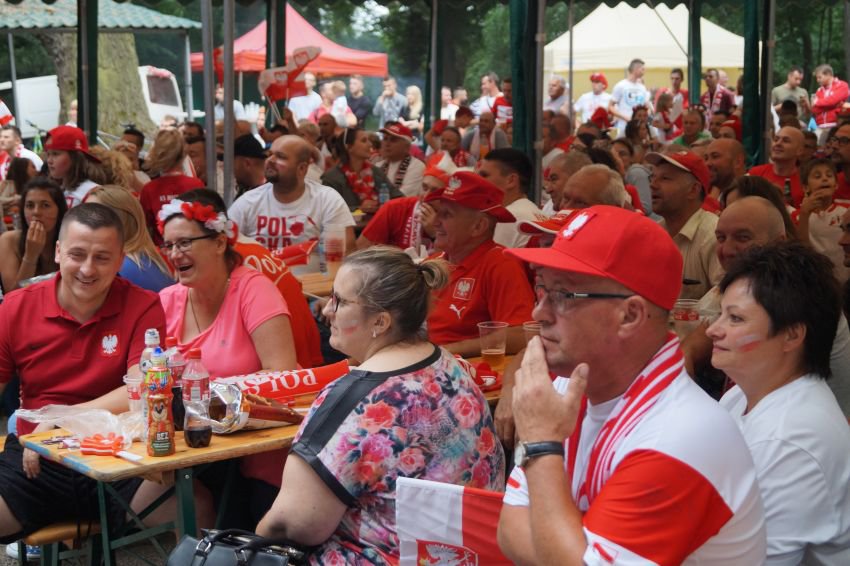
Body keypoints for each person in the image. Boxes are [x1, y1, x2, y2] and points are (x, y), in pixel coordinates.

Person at [498, 204, 766, 564]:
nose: (538, 313)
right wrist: (568, 548)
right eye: (541, 289)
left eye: (562, 296)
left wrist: (541, 445)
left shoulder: (683, 433)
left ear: (630, 315)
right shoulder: (567, 386)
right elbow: (509, 530)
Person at [257, 247, 505, 561]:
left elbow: (295, 524)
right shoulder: (449, 366)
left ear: (381, 322)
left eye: (340, 301)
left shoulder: (357, 401)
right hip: (471, 555)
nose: (328, 310)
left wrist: (255, 538)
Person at [0, 203, 166, 544]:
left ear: (120, 261)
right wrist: (51, 424)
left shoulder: (143, 305)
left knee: (195, 508)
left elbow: (142, 388)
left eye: (102, 258)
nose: (88, 269)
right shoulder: (17, 306)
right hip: (36, 460)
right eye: (77, 255)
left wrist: (62, 417)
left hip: (119, 454)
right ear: (58, 252)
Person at [154, 193, 297, 523]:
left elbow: (283, 372)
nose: (174, 254)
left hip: (259, 445)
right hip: (194, 445)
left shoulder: (253, 289)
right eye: (169, 245)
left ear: (220, 243)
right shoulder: (166, 300)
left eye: (185, 243)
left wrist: (211, 398)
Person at [707, 241, 850, 563]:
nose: (713, 330)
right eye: (720, 314)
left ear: (792, 335)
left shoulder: (791, 438)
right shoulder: (741, 395)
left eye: (735, 319)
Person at [424, 171, 535, 355]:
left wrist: (446, 352)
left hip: (459, 367)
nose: (435, 222)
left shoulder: (501, 264)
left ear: (478, 226)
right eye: (438, 212)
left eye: (446, 214)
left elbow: (520, 335)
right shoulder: (432, 262)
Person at [228, 135, 356, 252]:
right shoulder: (249, 201)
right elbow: (227, 247)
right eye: (269, 154)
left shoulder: (327, 200)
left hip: (314, 271)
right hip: (261, 270)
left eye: (280, 157)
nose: (270, 160)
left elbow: (346, 249)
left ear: (302, 169)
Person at [647, 150, 723, 300]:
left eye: (665, 178)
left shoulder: (713, 235)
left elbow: (723, 297)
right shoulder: (652, 234)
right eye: (652, 177)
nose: (653, 185)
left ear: (693, 190)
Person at [84, 185, 174, 293]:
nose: (82, 222)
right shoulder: (151, 260)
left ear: (119, 220)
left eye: (91, 216)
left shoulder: (118, 268)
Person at [356, 165, 448, 252]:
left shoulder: (454, 218)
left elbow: (450, 261)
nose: (426, 196)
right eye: (424, 188)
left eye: (435, 192)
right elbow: (360, 251)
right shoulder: (395, 208)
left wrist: (435, 234)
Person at [139, 129, 205, 244]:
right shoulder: (196, 185)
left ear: (156, 154)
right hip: (191, 249)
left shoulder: (149, 189)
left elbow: (144, 229)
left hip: (162, 250)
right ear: (183, 153)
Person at [0, 178, 66, 292]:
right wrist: (31, 255)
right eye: (30, 206)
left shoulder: (68, 241)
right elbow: (12, 295)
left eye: (45, 205)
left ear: (59, 210)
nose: (36, 212)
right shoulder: (8, 240)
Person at [794, 157, 850, 281]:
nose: (824, 179)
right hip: (814, 280)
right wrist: (804, 214)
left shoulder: (846, 211)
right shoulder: (796, 216)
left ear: (836, 185)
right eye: (817, 176)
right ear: (805, 188)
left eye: (829, 175)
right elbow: (801, 250)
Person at [321, 128, 401, 214]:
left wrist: (384, 205)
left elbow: (399, 198)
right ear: (349, 147)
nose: (370, 144)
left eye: (369, 140)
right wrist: (359, 209)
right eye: (364, 141)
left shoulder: (376, 172)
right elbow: (328, 210)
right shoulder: (331, 178)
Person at [478, 148, 542, 248]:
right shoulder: (535, 212)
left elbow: (489, 256)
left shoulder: (510, 217)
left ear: (511, 180)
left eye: (484, 175)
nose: (478, 181)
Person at [45, 125, 106, 208]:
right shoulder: (58, 190)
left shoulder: (92, 192)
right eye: (48, 154)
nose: (49, 160)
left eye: (55, 154)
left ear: (75, 158)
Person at [749, 126, 805, 207]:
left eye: (786, 141)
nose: (778, 143)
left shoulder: (806, 180)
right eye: (776, 139)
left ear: (799, 151)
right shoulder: (755, 173)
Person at [375, 122, 425, 197]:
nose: (387, 144)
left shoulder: (417, 167)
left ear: (407, 147)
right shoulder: (378, 166)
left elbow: (402, 197)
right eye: (385, 139)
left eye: (393, 140)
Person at [608, 58, 651, 135]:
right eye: (642, 69)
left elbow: (647, 106)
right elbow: (610, 106)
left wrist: (646, 119)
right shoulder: (620, 86)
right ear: (636, 69)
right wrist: (625, 118)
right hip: (624, 126)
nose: (644, 71)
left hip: (639, 127)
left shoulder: (642, 87)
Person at [812, 64, 850, 142]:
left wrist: (817, 102)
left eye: (819, 77)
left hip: (836, 125)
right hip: (820, 126)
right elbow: (815, 110)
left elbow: (832, 101)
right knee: (815, 146)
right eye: (817, 78)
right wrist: (833, 105)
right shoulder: (819, 90)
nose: (817, 80)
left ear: (828, 75)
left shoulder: (842, 85)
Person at [654, 67, 689, 134]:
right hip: (662, 132)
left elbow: (687, 113)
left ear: (682, 80)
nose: (674, 81)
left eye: (677, 79)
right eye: (672, 78)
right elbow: (654, 114)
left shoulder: (685, 94)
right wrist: (663, 126)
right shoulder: (662, 92)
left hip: (679, 131)